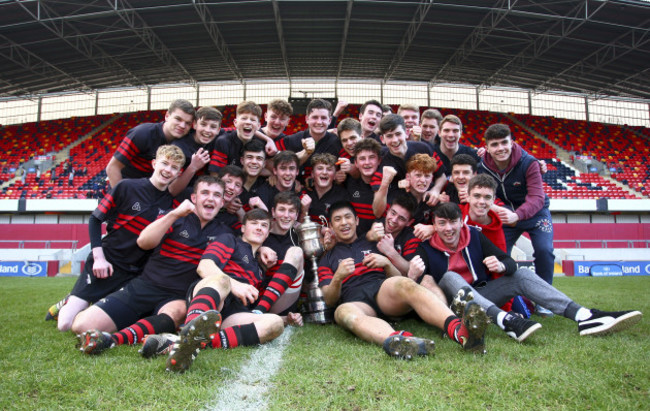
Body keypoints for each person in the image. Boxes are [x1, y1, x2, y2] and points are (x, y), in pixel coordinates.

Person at [415, 202, 643, 342]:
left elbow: (508, 261)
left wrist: (503, 265)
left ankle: (584, 316)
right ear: (434, 225)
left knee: (522, 274)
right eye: (442, 223)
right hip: (453, 307)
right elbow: (420, 285)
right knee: (449, 277)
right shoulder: (426, 247)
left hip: (484, 297)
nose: (448, 229)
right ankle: (506, 321)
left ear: (461, 223)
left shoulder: (474, 236)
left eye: (453, 222)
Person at [318, 201, 490, 359]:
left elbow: (399, 278)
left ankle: (461, 332)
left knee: (405, 284)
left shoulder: (374, 242)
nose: (344, 223)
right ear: (331, 226)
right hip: (354, 301)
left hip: (381, 290)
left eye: (348, 217)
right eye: (338, 220)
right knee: (342, 313)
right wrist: (338, 277)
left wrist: (386, 263)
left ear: (356, 220)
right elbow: (330, 299)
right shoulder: (327, 259)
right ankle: (403, 342)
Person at [73, 176, 225, 354]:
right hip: (145, 286)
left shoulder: (223, 232)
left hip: (176, 296)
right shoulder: (174, 217)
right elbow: (144, 242)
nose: (210, 198)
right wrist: (175, 213)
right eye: (205, 193)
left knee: (178, 312)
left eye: (216, 195)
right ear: (194, 198)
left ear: (222, 202)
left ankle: (114, 338)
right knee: (81, 326)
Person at [49, 145, 186, 331]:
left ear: (179, 173)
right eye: (165, 163)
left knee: (121, 320)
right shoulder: (126, 186)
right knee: (64, 325)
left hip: (134, 273)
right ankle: (69, 302)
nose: (168, 170)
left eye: (174, 167)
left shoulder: (171, 205)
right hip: (107, 263)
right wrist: (99, 258)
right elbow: (95, 219)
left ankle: (91, 305)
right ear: (154, 163)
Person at [165, 208, 303, 373]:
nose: (259, 227)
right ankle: (189, 333)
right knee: (222, 281)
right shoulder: (230, 240)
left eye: (264, 225)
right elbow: (204, 266)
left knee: (274, 324)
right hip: (212, 295)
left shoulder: (260, 268)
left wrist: (287, 319)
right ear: (243, 228)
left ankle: (192, 343)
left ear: (267, 234)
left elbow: (252, 307)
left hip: (232, 313)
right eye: (254, 223)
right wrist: (234, 285)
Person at [478, 124, 555, 301]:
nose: (500, 148)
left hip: (536, 215)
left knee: (545, 250)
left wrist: (517, 215)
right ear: (487, 147)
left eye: (504, 142)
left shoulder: (529, 163)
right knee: (498, 254)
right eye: (495, 144)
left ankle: (544, 299)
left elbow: (537, 197)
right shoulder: (482, 167)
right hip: (505, 216)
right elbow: (485, 193)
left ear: (512, 142)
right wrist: (502, 210)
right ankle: (503, 297)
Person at [106, 99, 194, 187]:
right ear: (167, 116)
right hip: (128, 189)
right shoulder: (142, 133)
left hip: (153, 193)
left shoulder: (187, 142)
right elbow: (113, 167)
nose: (182, 126)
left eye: (188, 123)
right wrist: (122, 197)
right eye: (178, 119)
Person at [371, 114, 446, 216]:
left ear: (406, 133)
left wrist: (435, 190)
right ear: (382, 139)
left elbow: (441, 176)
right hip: (399, 218)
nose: (395, 140)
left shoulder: (423, 149)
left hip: (425, 210)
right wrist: (385, 183)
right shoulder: (381, 161)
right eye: (389, 136)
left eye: (398, 134)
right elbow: (377, 212)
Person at [275, 99, 344, 180]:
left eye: (323, 118)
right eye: (315, 117)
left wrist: (340, 173)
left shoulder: (337, 142)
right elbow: (272, 158)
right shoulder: (293, 140)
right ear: (307, 119)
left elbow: (347, 162)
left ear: (330, 120)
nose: (319, 122)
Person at [169, 106, 223, 196]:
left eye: (213, 127)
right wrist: (193, 167)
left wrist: (256, 132)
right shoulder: (178, 148)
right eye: (203, 124)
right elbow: (172, 190)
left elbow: (237, 131)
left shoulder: (220, 136)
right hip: (184, 195)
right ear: (194, 124)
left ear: (218, 130)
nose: (207, 130)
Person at [209, 101, 267, 173]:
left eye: (252, 120)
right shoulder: (223, 142)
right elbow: (215, 175)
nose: (248, 122)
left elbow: (270, 169)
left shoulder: (262, 142)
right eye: (244, 118)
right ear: (235, 123)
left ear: (258, 126)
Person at [344, 138, 382, 235]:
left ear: (379, 161)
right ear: (356, 163)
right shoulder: (349, 182)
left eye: (372, 157)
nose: (367, 162)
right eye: (362, 158)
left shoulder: (387, 185)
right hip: (356, 241)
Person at [305, 153, 347, 225]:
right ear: (312, 174)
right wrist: (304, 210)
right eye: (320, 168)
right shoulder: (304, 193)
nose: (324, 172)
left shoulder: (342, 196)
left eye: (329, 169)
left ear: (334, 175)